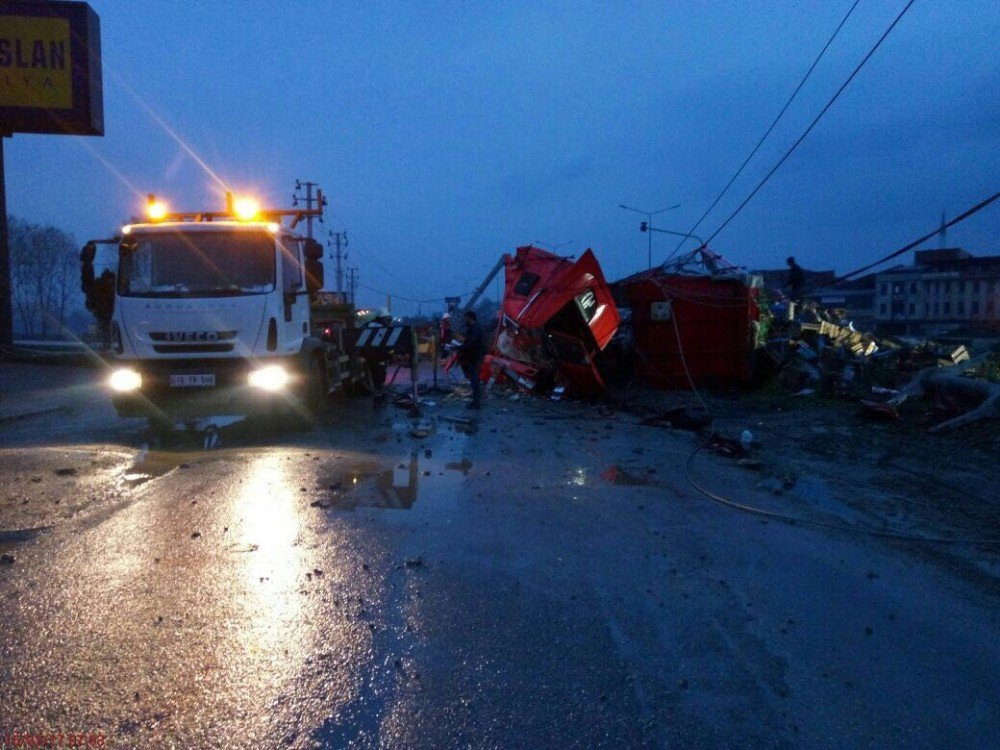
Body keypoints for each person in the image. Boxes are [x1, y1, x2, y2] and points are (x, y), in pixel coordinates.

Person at [452, 310, 486, 409]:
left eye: (466, 318)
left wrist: (458, 347)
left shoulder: (475, 329)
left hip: (476, 356)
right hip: (474, 356)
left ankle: (476, 403)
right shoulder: (473, 328)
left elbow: (470, 343)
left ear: (471, 318)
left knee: (474, 379)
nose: (464, 320)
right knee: (474, 379)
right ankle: (476, 401)